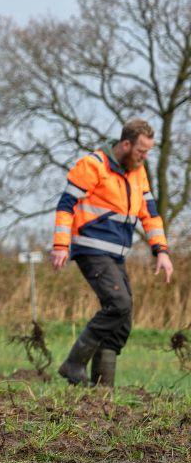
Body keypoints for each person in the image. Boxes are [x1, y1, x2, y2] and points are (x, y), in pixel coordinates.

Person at [52, 118, 174, 387]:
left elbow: (150, 214)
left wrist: (161, 251)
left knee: (123, 319)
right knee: (119, 305)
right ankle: (73, 364)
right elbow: (65, 205)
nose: (144, 157)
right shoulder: (93, 165)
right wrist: (60, 245)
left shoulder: (137, 172)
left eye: (148, 152)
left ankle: (102, 389)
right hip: (91, 249)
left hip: (116, 255)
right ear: (126, 144)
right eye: (141, 151)